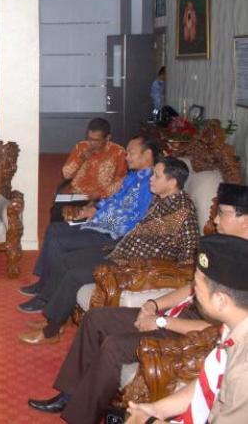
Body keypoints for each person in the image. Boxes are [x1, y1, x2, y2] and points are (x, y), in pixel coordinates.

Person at [27, 182, 248, 423]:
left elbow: (220, 330)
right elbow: (191, 288)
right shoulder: (224, 246)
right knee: (96, 318)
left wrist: (162, 322)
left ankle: (79, 417)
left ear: (245, 220)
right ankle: (68, 395)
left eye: (222, 212)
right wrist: (154, 304)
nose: (215, 219)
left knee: (114, 347)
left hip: (195, 334)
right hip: (180, 314)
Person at [19, 156, 199, 345]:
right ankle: (55, 319)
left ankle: (51, 332)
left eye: (157, 176)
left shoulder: (183, 212)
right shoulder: (160, 198)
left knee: (74, 276)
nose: (151, 179)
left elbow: (189, 257)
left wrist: (169, 276)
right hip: (120, 250)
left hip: (135, 265)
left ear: (172, 182)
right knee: (65, 260)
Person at [126, 232, 248, 423]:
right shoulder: (234, 325)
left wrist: (147, 421)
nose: (193, 292)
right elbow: (210, 380)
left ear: (220, 300)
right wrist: (157, 410)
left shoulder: (244, 372)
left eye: (197, 287)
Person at [20, 135, 159, 302]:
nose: (127, 156)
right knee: (53, 229)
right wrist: (95, 208)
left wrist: (98, 215)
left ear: (147, 154)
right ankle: (44, 283)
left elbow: (132, 220)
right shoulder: (133, 177)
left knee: (58, 241)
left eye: (131, 152)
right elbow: (113, 200)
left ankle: (46, 296)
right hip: (100, 224)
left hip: (113, 236)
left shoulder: (151, 185)